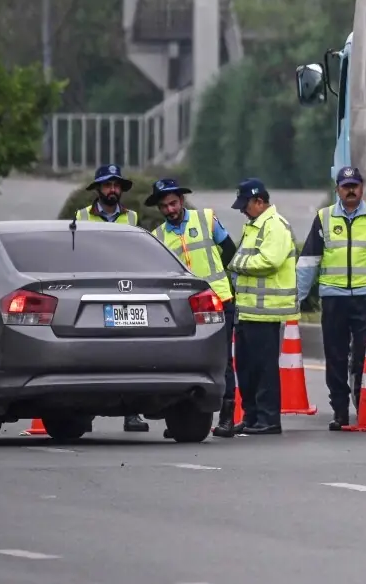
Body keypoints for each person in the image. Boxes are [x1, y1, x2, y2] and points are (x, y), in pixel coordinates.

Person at [296, 166, 366, 430]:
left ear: (362, 188)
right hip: (334, 299)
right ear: (337, 189)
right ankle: (339, 410)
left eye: (355, 185)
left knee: (365, 355)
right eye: (345, 186)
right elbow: (308, 262)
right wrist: (296, 299)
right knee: (335, 357)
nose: (350, 190)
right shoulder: (324, 218)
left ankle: (364, 404)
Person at [146, 178, 241, 438]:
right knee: (179, 361)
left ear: (182, 200)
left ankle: (226, 418)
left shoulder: (206, 219)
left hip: (218, 301)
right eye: (164, 206)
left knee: (222, 361)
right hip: (183, 308)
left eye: (173, 203)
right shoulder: (158, 236)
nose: (170, 210)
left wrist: (223, 279)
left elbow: (229, 250)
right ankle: (179, 418)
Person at [76, 164, 150, 432]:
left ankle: (132, 412)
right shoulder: (81, 216)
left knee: (131, 355)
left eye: (116, 185)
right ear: (98, 189)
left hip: (126, 294)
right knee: (91, 355)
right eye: (107, 185)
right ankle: (84, 414)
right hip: (94, 293)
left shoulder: (131, 217)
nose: (112, 190)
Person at [227, 178, 297, 436]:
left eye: (245, 205)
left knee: (263, 369)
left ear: (259, 201)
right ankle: (252, 416)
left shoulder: (274, 226)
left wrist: (237, 263)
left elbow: (269, 260)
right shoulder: (254, 225)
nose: (243, 211)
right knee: (246, 368)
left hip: (266, 312)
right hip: (247, 311)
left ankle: (268, 419)